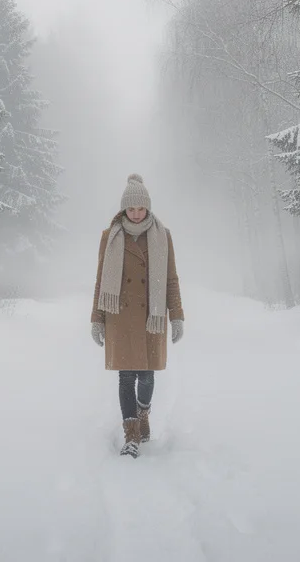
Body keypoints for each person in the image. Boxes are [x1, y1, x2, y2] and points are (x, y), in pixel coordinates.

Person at [90, 173, 184, 457]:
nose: (136, 213)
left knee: (146, 374)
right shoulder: (110, 237)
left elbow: (170, 279)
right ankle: (131, 436)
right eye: (131, 208)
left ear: (148, 208)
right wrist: (97, 318)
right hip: (120, 314)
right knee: (125, 376)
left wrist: (176, 314)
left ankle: (143, 416)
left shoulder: (162, 235)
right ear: (123, 209)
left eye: (140, 208)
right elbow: (99, 280)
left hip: (150, 316)